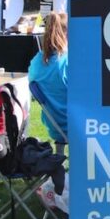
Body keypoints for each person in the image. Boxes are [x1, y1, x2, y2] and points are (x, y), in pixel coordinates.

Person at [28, 12, 69, 141]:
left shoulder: (36, 61)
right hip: (75, 126)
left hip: (53, 126)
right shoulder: (69, 62)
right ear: (67, 33)